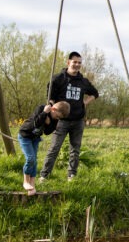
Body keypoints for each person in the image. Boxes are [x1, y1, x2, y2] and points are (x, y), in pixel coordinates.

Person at [39, 52, 100, 183]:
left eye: (79, 62)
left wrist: (85, 102)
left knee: (75, 149)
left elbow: (95, 93)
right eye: (75, 62)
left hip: (78, 120)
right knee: (54, 148)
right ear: (68, 62)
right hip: (61, 121)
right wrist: (51, 106)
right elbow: (50, 96)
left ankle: (71, 175)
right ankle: (44, 175)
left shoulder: (83, 81)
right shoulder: (58, 79)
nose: (77, 65)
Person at [18, 101, 70, 195]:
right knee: (30, 159)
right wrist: (44, 113)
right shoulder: (42, 108)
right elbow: (35, 123)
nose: (58, 119)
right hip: (25, 136)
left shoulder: (55, 119)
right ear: (53, 109)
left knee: (34, 161)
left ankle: (32, 185)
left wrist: (48, 124)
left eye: (59, 118)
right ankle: (26, 182)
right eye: (57, 116)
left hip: (35, 138)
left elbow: (47, 132)